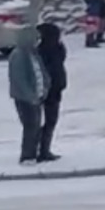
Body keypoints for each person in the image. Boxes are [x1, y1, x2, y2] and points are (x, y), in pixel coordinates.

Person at [7, 26, 49, 165]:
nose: (38, 41)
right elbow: (19, 79)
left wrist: (45, 87)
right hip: (24, 98)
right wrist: (30, 95)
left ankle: (33, 153)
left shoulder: (33, 54)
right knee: (30, 126)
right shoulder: (19, 55)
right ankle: (27, 156)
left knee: (36, 125)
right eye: (35, 39)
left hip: (36, 96)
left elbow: (41, 72)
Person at [35, 22, 67, 162]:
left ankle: (43, 148)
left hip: (54, 89)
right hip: (49, 90)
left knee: (49, 121)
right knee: (49, 121)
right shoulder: (45, 51)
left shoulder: (54, 49)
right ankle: (43, 150)